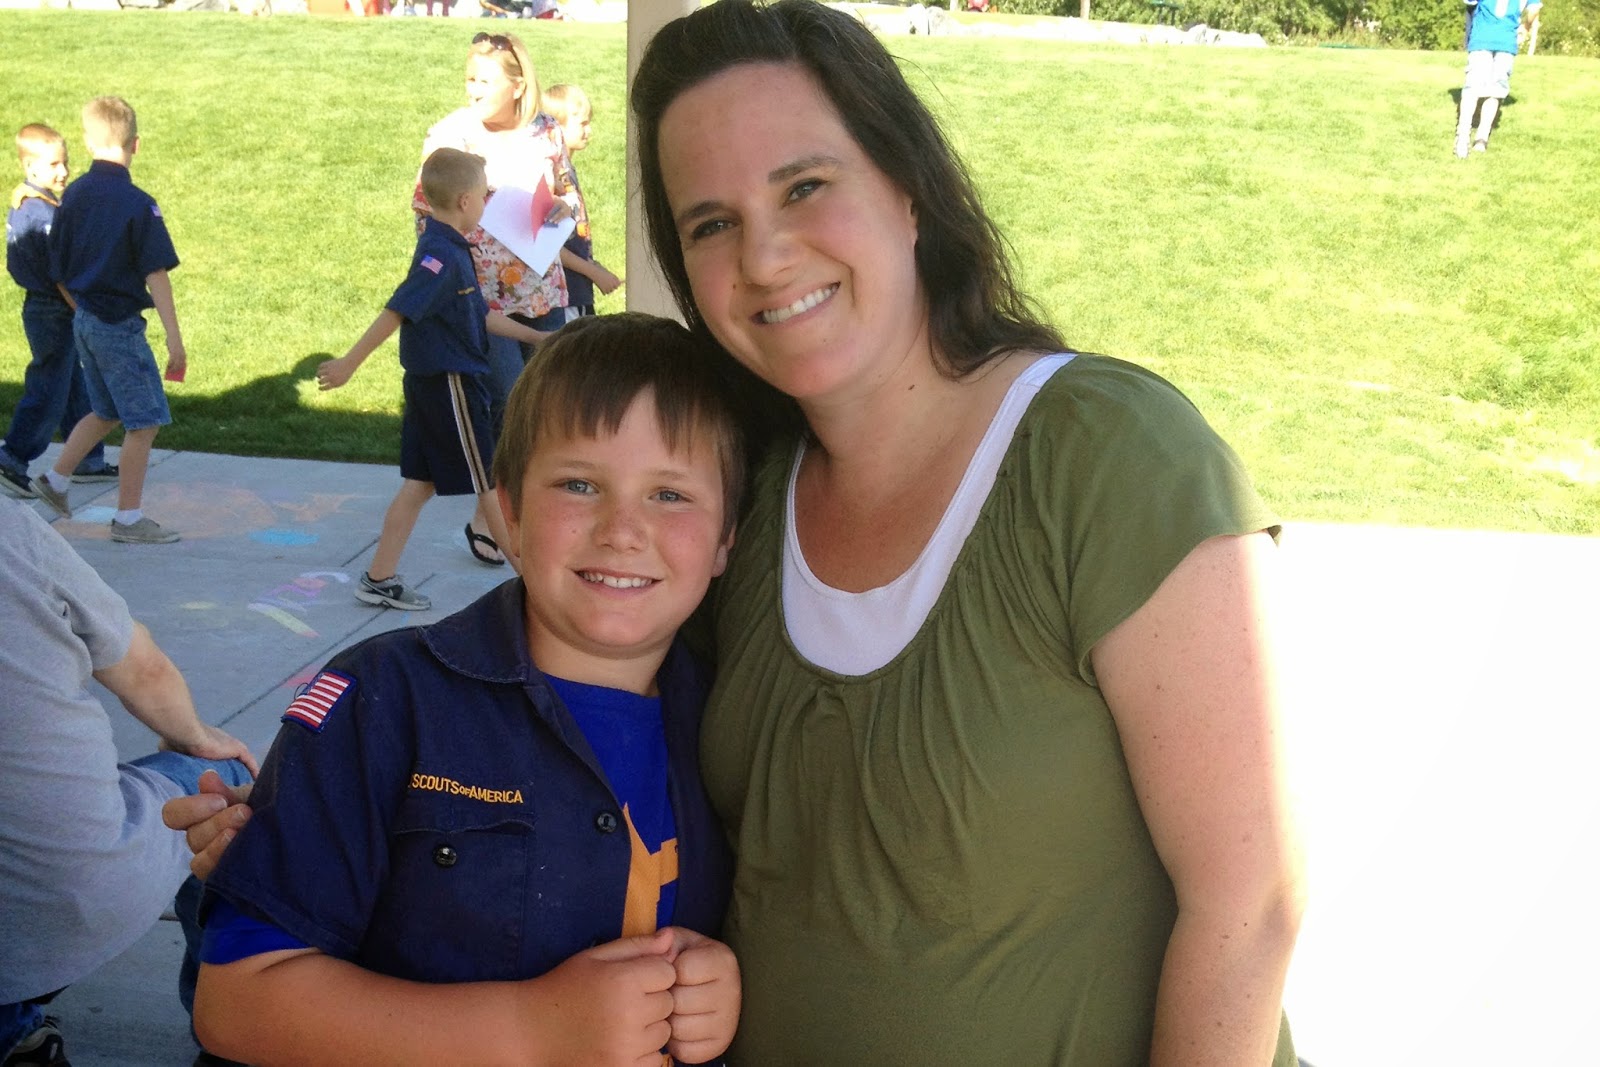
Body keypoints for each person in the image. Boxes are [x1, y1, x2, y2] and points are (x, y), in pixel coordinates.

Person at [172, 1, 1306, 1062]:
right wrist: (303, 821)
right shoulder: (747, 497)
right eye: (712, 223)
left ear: (909, 188)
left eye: (805, 185)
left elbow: (1249, 902)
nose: (763, 256)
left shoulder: (1103, 454)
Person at [193, 314, 742, 1067]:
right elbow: (237, 1002)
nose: (622, 530)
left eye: (670, 495)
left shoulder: (735, 727)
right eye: (579, 484)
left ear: (726, 538)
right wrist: (532, 1030)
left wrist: (713, 989)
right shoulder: (381, 700)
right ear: (508, 512)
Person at [0, 495, 257, 1067]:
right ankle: (229, 1033)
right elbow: (144, 670)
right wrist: (196, 737)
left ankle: (18, 1027)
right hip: (51, 917)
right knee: (223, 786)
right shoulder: (10, 531)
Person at [314, 148, 544, 613]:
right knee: (487, 480)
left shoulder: (451, 248)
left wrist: (537, 338)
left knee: (419, 484)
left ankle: (379, 578)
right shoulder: (440, 256)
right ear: (464, 201)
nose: (487, 202)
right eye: (484, 195)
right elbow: (399, 308)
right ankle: (535, 586)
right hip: (450, 383)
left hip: (434, 384)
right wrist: (349, 363)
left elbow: (478, 315)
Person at [414, 30, 579, 567]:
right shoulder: (449, 137)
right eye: (470, 79)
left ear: (517, 85)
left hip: (544, 292)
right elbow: (426, 218)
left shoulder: (546, 131)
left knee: (550, 404)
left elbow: (569, 196)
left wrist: (562, 209)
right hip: (482, 304)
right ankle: (493, 517)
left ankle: (537, 510)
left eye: (484, 81)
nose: (473, 89)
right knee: (507, 404)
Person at [32, 97, 186, 544]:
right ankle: (129, 519)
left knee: (107, 410)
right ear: (136, 144)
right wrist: (174, 340)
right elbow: (156, 274)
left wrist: (84, 310)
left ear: (87, 142)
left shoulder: (73, 195)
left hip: (85, 320)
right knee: (145, 420)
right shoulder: (138, 204)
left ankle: (56, 480)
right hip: (118, 325)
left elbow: (56, 269)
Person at [1, 123, 116, 501]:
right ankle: (12, 458)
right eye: (54, 165)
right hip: (53, 308)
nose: (64, 171)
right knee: (49, 387)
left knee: (74, 383)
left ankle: (86, 459)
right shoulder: (41, 213)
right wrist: (82, 309)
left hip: (46, 306)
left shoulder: (30, 201)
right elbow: (60, 275)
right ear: (30, 166)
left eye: (65, 162)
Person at [542, 83, 623, 322]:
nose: (589, 130)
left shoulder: (568, 170)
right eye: (582, 123)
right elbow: (548, 243)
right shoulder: (553, 177)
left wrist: (594, 266)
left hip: (578, 290)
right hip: (563, 294)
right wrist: (593, 273)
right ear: (556, 127)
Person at [1454, 0, 1542, 157]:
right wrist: (1526, 27)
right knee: (1496, 91)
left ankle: (1462, 137)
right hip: (1507, 41)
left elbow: (1470, 5)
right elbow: (1534, 9)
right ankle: (1482, 138)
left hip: (1481, 38)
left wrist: (1468, 33)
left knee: (1472, 89)